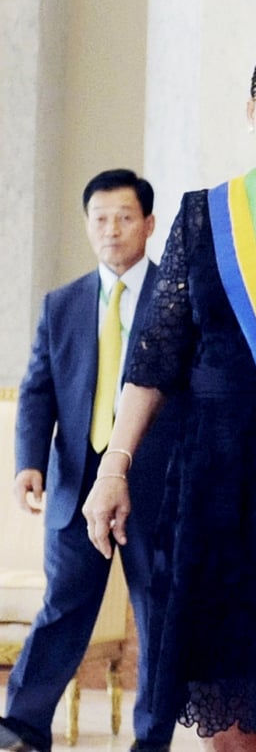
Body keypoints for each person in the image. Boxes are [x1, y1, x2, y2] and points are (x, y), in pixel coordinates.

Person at [81, 35, 256, 751]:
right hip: (216, 481)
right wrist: (115, 466)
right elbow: (154, 359)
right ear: (251, 110)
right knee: (222, 679)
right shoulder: (206, 216)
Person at [0, 170, 178, 752]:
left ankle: (150, 739)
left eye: (125, 217)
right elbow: (37, 390)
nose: (112, 229)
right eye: (100, 218)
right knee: (63, 609)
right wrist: (30, 460)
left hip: (155, 485)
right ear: (87, 225)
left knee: (157, 618)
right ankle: (21, 727)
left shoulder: (176, 299)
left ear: (149, 225)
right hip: (76, 484)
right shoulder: (62, 304)